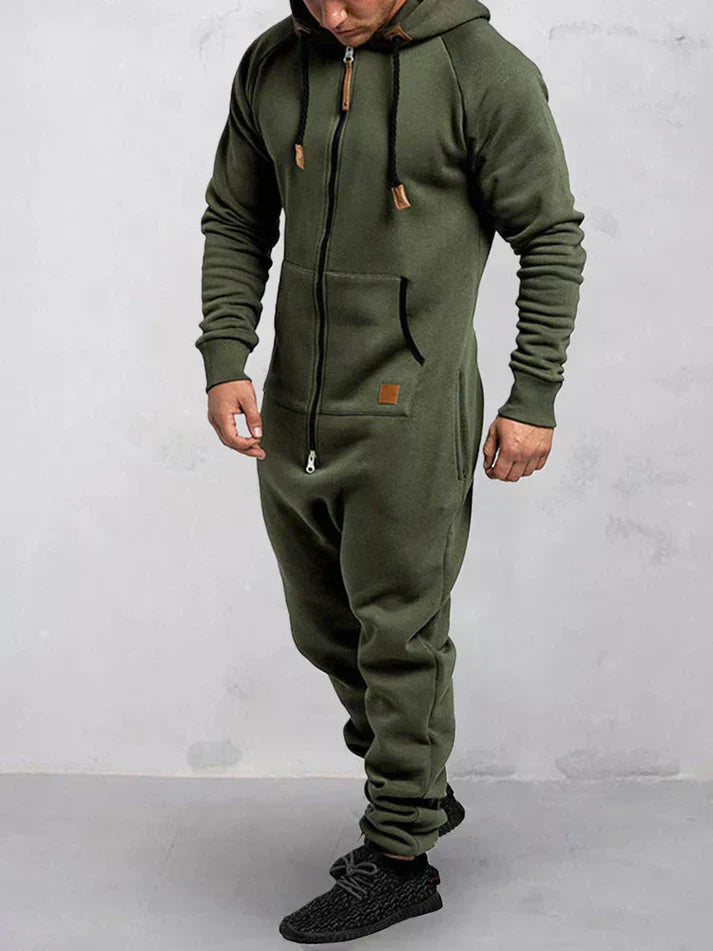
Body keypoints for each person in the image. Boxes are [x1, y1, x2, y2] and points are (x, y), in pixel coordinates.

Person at [195, 0, 586, 942]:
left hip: (413, 408)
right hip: (294, 405)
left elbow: (550, 237)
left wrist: (532, 397)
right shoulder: (271, 62)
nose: (335, 14)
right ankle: (418, 783)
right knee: (324, 628)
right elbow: (236, 218)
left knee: (399, 636)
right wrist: (225, 356)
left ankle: (401, 854)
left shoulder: (483, 72)